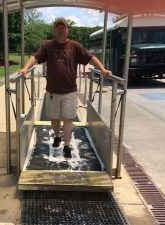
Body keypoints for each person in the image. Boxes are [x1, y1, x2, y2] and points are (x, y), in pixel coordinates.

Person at [19, 17, 111, 158]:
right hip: (52, 91)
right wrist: (25, 68)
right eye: (58, 27)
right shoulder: (48, 46)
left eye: (63, 27)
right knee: (54, 118)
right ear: (55, 30)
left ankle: (66, 146)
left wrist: (103, 70)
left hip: (70, 91)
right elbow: (35, 57)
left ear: (68, 30)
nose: (61, 30)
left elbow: (91, 57)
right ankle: (57, 136)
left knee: (68, 119)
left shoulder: (75, 46)